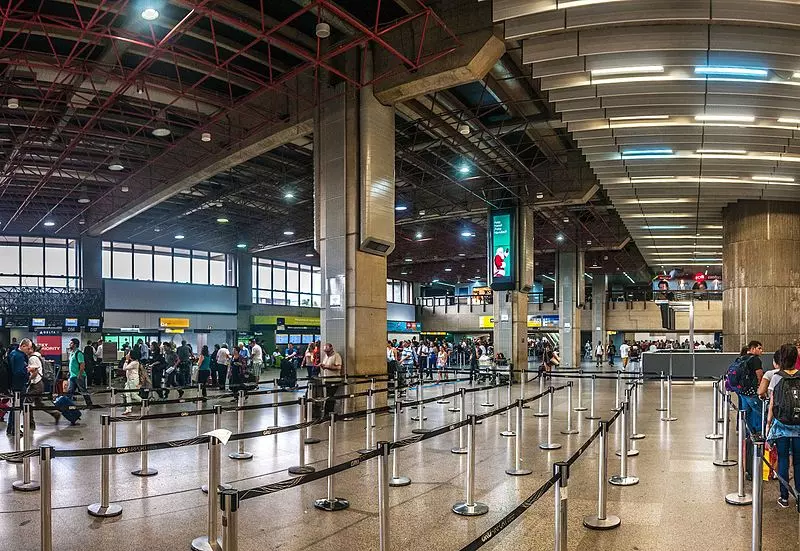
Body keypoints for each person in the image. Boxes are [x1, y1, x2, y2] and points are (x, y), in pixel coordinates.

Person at [766, 343, 800, 507]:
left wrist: (768, 423)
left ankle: (784, 497)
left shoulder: (776, 377)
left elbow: (772, 404)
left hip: (781, 426)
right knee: (799, 461)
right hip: (799, 426)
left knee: (783, 459)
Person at [25, 343, 60, 427]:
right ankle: (55, 414)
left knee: (26, 403)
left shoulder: (33, 358)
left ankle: (30, 423)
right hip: (39, 384)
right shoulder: (38, 357)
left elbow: (34, 373)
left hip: (36, 384)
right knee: (38, 404)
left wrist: (27, 381)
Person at [7, 338, 30, 434]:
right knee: (17, 407)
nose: (29, 350)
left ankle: (10, 427)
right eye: (28, 348)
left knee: (14, 407)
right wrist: (28, 371)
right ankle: (15, 429)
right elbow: (19, 372)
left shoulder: (13, 353)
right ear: (23, 346)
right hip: (19, 385)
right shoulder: (19, 356)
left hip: (12, 384)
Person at [66, 338, 94, 407]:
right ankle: (66, 405)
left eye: (71, 343)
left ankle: (89, 404)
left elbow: (82, 365)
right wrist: (69, 372)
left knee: (83, 390)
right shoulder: (72, 353)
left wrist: (79, 374)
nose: (70, 344)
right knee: (70, 391)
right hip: (72, 376)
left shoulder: (79, 353)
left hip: (78, 376)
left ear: (75, 345)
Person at [121, 348, 141, 416]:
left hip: (133, 380)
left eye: (129, 354)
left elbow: (124, 368)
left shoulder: (135, 363)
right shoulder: (132, 362)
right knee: (127, 394)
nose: (127, 355)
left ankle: (145, 403)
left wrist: (126, 360)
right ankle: (128, 409)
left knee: (134, 395)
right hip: (129, 380)